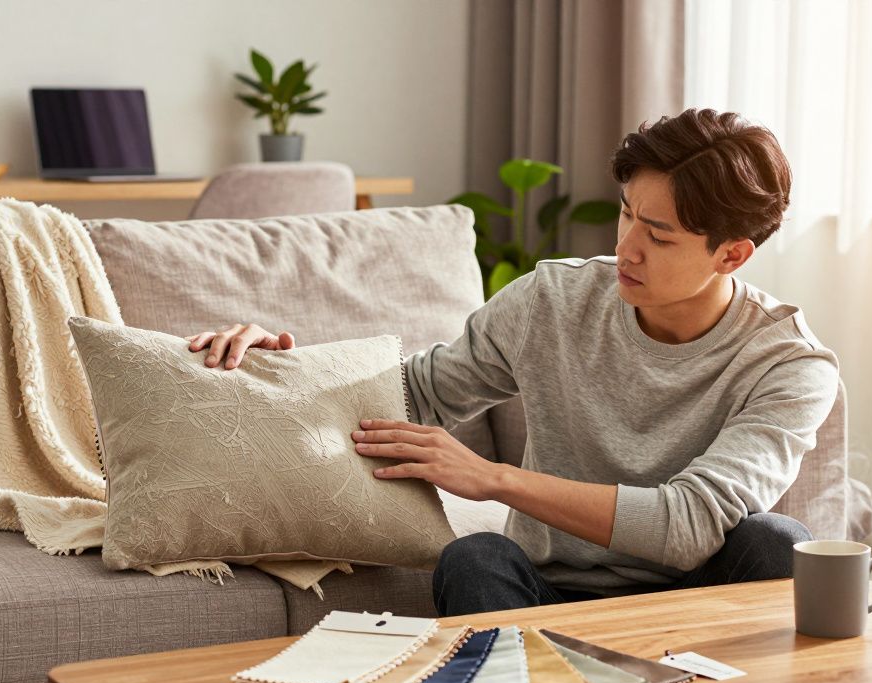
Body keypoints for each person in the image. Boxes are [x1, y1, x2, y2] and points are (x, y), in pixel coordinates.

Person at [186, 108, 838, 616]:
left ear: (732, 255)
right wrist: (281, 362)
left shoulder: (787, 365)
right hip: (544, 594)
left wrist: (495, 480)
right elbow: (415, 393)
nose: (627, 249)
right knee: (476, 559)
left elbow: (688, 526)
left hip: (696, 602)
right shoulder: (553, 301)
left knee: (777, 542)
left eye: (659, 235)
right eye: (626, 215)